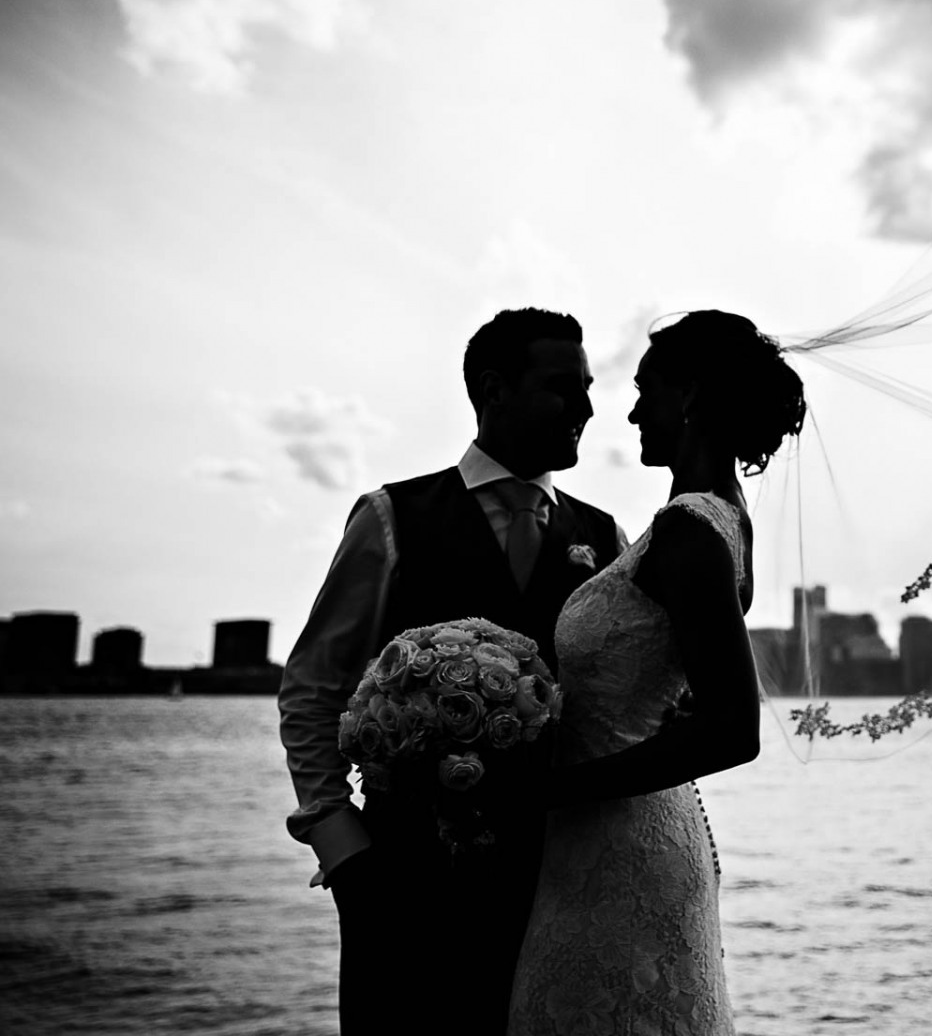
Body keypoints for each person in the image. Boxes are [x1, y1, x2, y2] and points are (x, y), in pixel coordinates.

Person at [278, 307, 627, 1036]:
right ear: (494, 389)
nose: (590, 408)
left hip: (560, 886)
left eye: (588, 387)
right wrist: (344, 854)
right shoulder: (391, 516)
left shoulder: (606, 538)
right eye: (565, 387)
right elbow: (313, 689)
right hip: (404, 882)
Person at [508, 310, 805, 1036]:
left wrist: (553, 789)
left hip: (616, 845)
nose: (634, 409)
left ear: (693, 394)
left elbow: (733, 730)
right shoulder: (723, 521)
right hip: (626, 831)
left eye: (647, 388)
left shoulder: (691, 532)